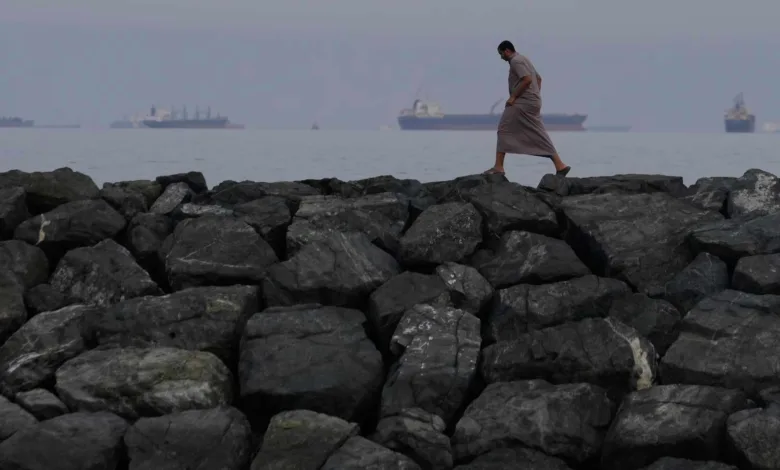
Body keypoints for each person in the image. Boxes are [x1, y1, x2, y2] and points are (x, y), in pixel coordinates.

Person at [484, 40, 571, 177]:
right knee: (538, 132)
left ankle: (499, 167)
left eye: (501, 54)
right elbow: (539, 79)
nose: (501, 57)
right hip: (533, 102)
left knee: (503, 129)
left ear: (507, 51)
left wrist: (513, 97)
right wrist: (535, 95)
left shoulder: (515, 61)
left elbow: (527, 79)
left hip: (521, 102)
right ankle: (560, 165)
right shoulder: (524, 58)